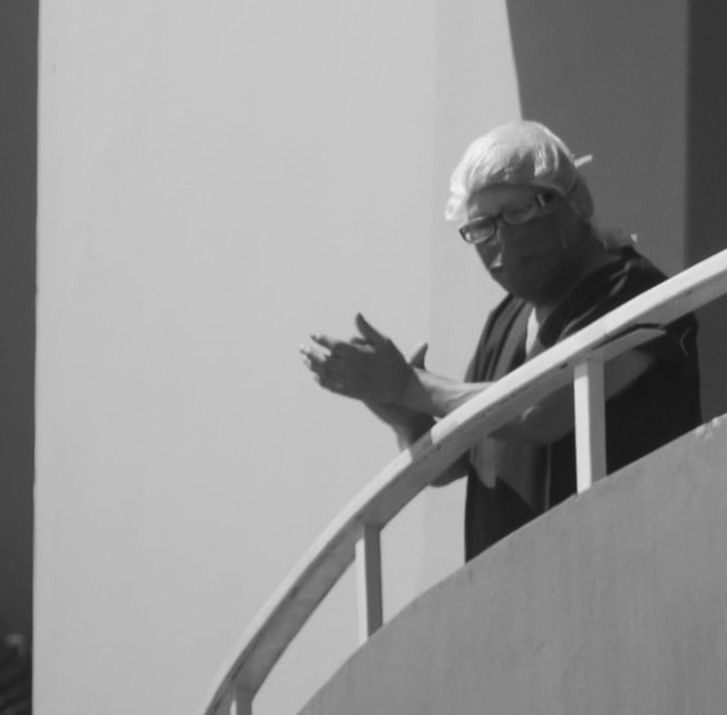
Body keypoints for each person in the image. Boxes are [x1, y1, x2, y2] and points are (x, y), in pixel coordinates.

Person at [300, 120, 701, 557]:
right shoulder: (506, 319)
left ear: (576, 200)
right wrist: (401, 411)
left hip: (616, 574)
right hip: (510, 600)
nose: (503, 239)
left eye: (520, 211)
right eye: (482, 226)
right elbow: (456, 460)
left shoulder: (630, 290)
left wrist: (411, 386)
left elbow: (538, 413)